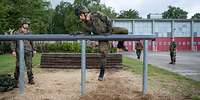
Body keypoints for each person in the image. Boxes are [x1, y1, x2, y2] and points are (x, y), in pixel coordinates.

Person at [75, 6, 128, 81]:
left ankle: (120, 44)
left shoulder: (97, 14)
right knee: (103, 53)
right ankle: (102, 73)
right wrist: (80, 33)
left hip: (109, 31)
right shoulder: (85, 24)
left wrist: (109, 31)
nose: (80, 18)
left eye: (80, 15)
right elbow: (88, 34)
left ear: (85, 13)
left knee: (125, 31)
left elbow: (108, 20)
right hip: (101, 37)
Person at [11, 18, 36, 86]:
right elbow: (13, 42)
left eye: (28, 24)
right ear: (22, 24)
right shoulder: (16, 33)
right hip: (20, 52)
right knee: (18, 66)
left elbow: (32, 42)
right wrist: (13, 51)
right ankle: (16, 81)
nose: (27, 25)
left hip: (28, 51)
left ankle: (30, 79)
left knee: (29, 66)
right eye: (26, 24)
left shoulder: (29, 32)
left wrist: (34, 49)